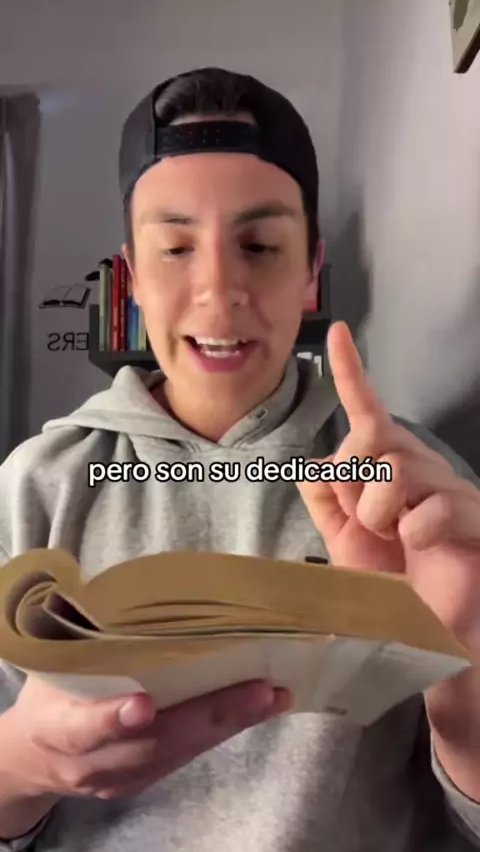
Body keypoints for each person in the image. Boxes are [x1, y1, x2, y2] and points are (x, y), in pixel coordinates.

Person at [0, 66, 480, 852]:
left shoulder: (415, 493)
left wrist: (464, 679)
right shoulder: (34, 489)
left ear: (311, 271)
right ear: (132, 279)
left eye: (259, 246)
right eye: (175, 248)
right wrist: (22, 764)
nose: (219, 293)